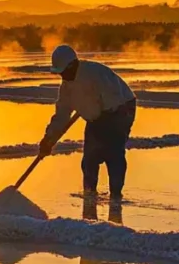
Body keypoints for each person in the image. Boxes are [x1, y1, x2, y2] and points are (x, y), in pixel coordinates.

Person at [38, 45, 136, 200]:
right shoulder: (66, 89)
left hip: (120, 109)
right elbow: (61, 115)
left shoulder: (95, 74)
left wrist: (101, 128)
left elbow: (112, 103)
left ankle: (116, 196)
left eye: (64, 71)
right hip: (96, 116)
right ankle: (90, 195)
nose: (62, 76)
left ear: (73, 65)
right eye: (60, 73)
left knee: (113, 153)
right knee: (89, 159)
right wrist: (48, 138)